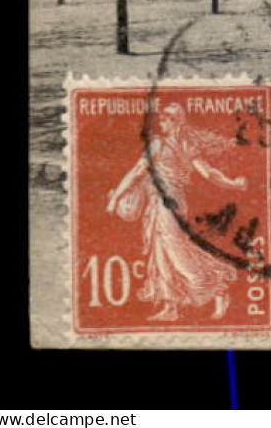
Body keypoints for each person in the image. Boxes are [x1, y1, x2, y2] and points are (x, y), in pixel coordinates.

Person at [106, 102, 248, 322]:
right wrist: (233, 184)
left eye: (167, 119)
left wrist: (233, 184)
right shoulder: (174, 145)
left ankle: (217, 288)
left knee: (177, 253)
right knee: (160, 254)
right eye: (162, 119)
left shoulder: (169, 145)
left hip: (169, 204)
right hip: (161, 203)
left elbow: (207, 173)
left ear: (177, 122)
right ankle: (170, 306)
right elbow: (138, 172)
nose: (163, 122)